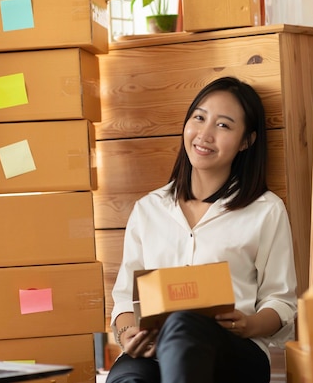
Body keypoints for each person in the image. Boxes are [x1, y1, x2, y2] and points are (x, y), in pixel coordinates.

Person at [107, 76, 298, 383]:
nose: (205, 134)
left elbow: (281, 301)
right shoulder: (148, 209)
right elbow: (125, 301)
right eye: (199, 118)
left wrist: (248, 324)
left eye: (223, 125)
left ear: (246, 141)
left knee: (185, 324)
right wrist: (129, 334)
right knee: (129, 378)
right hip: (154, 352)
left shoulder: (265, 210)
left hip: (234, 352)